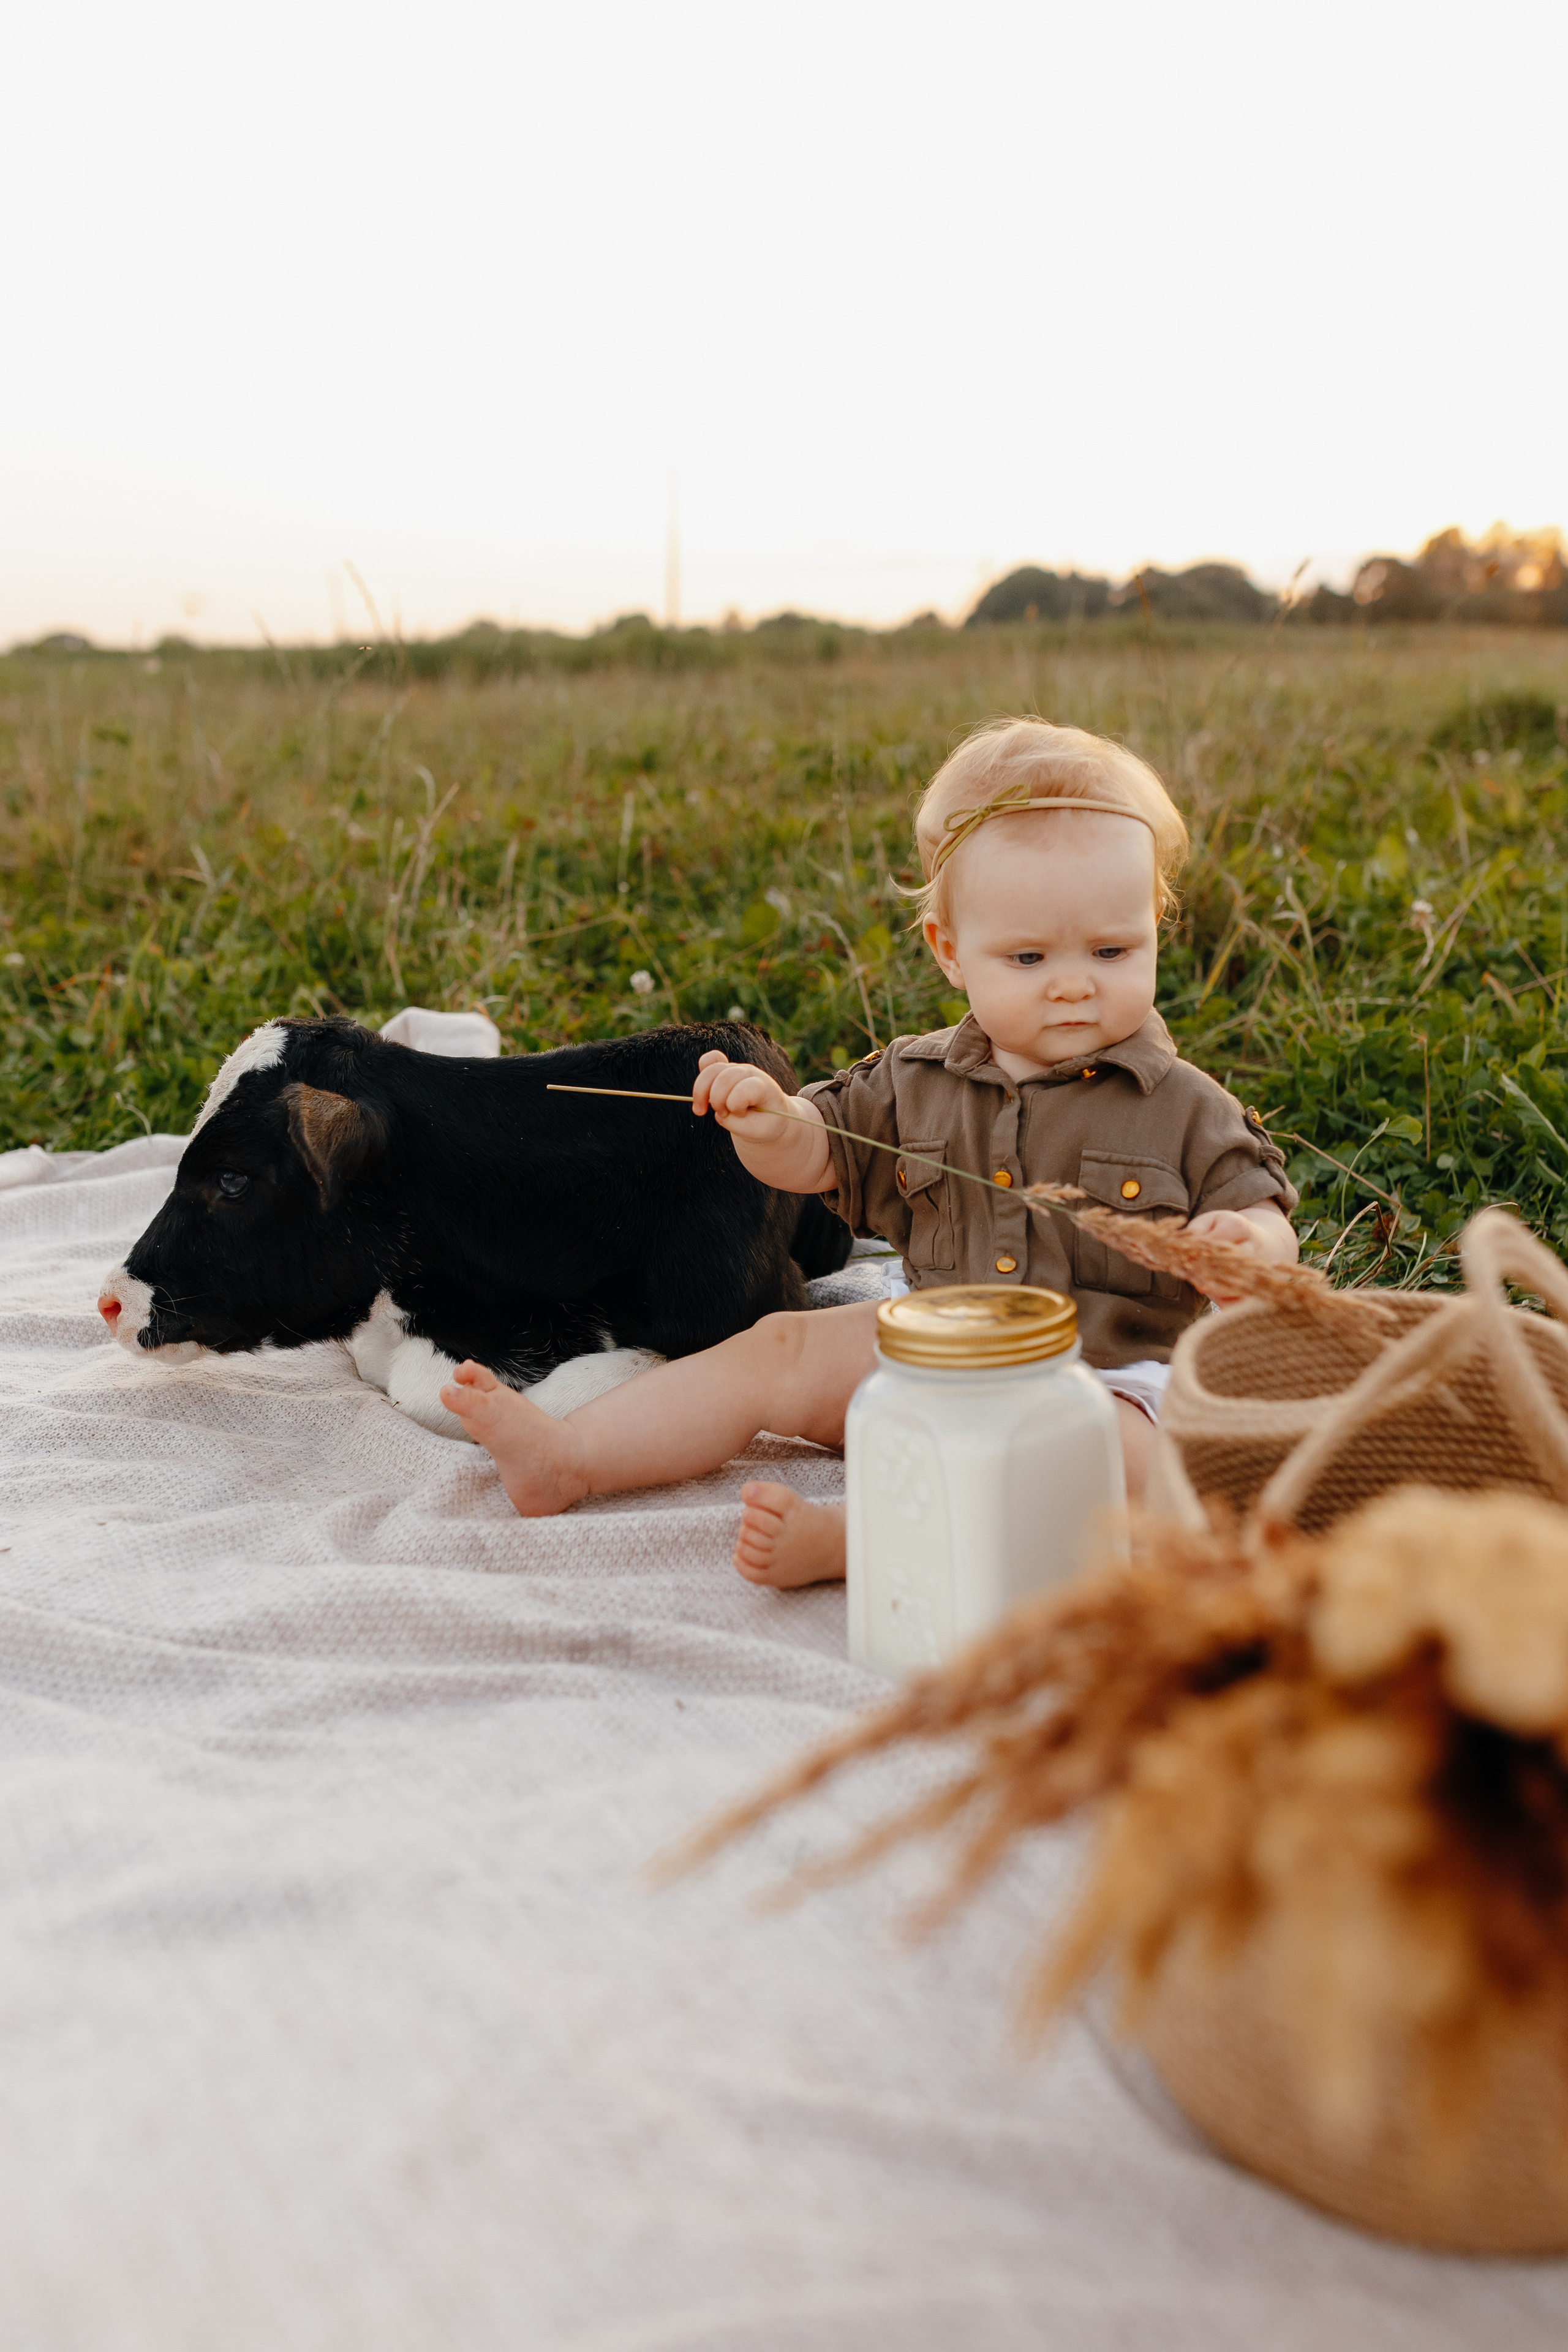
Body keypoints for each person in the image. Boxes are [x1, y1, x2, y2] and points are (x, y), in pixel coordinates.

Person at [440, 718, 1299, 1585]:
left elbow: (1256, 1204)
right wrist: (770, 1123)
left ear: (1154, 931)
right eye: (1029, 956)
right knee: (780, 1348)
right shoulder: (913, 1080)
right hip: (926, 1350)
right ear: (951, 952)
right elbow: (817, 1155)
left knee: (1121, 1471)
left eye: (1112, 950)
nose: (1073, 983)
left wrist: (1249, 1247)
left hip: (1102, 1384)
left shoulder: (1182, 1105)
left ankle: (858, 1541)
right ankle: (572, 1456)